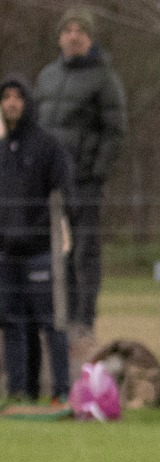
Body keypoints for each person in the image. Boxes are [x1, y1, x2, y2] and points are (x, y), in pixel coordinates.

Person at [33, 7, 124, 338]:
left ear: (90, 37)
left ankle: (83, 318)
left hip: (83, 182)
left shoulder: (104, 79)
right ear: (60, 37)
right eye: (68, 29)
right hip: (47, 185)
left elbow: (114, 131)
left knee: (85, 251)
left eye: (80, 30)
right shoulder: (46, 77)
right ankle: (58, 313)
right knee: (54, 251)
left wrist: (94, 173)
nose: (73, 35)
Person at [0, 76, 71, 402]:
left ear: (28, 103)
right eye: (6, 97)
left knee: (51, 324)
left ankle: (60, 391)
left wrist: (49, 231)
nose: (12, 103)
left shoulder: (47, 146)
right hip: (8, 253)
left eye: (18, 97)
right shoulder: (3, 150)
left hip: (42, 251)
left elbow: (62, 195)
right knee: (14, 323)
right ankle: (20, 391)